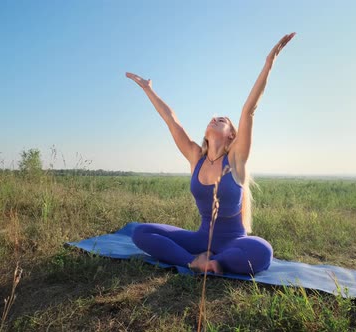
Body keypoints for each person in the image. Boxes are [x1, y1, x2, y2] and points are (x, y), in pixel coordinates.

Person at [126, 32, 296, 275]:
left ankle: (217, 260)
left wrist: (268, 64)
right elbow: (170, 120)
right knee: (141, 232)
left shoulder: (236, 159)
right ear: (206, 132)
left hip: (235, 242)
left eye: (223, 120)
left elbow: (249, 110)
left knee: (262, 250)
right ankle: (194, 261)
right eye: (213, 118)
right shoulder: (196, 157)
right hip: (200, 240)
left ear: (231, 135)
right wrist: (148, 90)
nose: (215, 118)